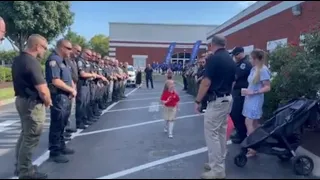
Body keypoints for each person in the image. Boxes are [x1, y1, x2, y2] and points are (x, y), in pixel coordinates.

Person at [194, 34, 236, 179]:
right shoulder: (230, 59)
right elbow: (232, 82)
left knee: (212, 134)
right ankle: (217, 163)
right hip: (227, 98)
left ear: (212, 45)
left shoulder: (214, 59)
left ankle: (217, 169)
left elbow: (206, 82)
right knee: (221, 134)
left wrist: (198, 101)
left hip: (217, 100)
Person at [12, 34, 50, 179]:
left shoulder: (19, 59)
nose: (45, 51)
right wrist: (47, 101)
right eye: (44, 48)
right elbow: (42, 89)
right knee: (31, 137)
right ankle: (25, 171)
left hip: (22, 100)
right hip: (32, 103)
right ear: (37, 46)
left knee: (25, 135)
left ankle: (21, 166)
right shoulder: (32, 62)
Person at [45, 39, 76, 163]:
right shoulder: (54, 60)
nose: (71, 51)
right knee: (57, 124)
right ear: (61, 47)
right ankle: (55, 151)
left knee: (62, 123)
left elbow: (69, 79)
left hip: (65, 96)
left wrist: (72, 89)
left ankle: (61, 146)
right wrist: (71, 90)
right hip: (58, 97)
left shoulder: (64, 61)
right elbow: (55, 81)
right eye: (68, 48)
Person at [242, 49, 271, 157]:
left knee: (249, 122)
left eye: (250, 58)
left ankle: (252, 147)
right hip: (249, 98)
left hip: (256, 99)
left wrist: (253, 92)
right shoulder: (254, 69)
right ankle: (257, 143)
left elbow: (267, 87)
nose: (249, 60)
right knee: (254, 124)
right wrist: (247, 91)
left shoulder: (263, 70)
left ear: (255, 58)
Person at [229, 47, 252, 144]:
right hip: (238, 92)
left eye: (235, 55)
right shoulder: (239, 63)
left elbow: (235, 76)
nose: (234, 57)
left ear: (239, 54)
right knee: (234, 113)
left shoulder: (244, 64)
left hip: (241, 93)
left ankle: (242, 134)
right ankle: (240, 132)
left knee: (236, 113)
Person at [64, 44, 82, 139]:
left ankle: (67, 127)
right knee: (65, 110)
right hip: (68, 88)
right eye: (77, 50)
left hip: (73, 86)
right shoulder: (66, 61)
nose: (78, 53)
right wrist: (72, 88)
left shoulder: (73, 61)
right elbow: (69, 76)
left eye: (80, 51)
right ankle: (64, 130)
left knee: (70, 109)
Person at [75, 49, 96, 129]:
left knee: (86, 103)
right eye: (88, 54)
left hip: (87, 84)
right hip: (81, 84)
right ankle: (79, 122)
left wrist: (91, 74)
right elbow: (82, 74)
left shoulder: (86, 62)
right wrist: (91, 74)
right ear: (84, 53)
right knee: (81, 103)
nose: (89, 56)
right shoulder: (80, 61)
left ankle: (84, 119)